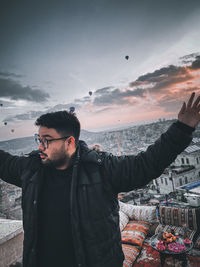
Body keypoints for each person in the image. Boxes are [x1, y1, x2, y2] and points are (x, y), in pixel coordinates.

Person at [0, 92, 200, 267]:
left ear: (70, 142)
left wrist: (181, 129)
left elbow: (145, 164)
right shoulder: (31, 169)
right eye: (38, 139)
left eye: (46, 140)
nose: (40, 146)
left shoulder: (101, 169)